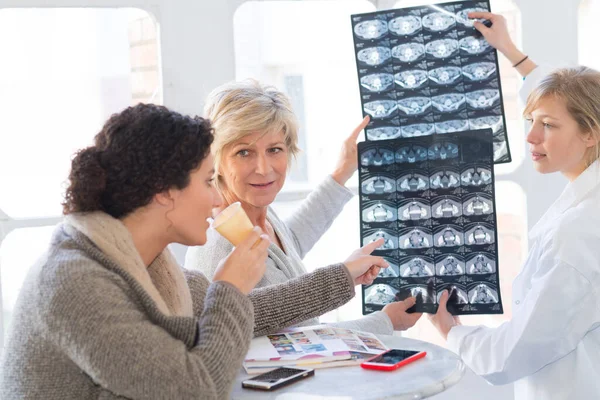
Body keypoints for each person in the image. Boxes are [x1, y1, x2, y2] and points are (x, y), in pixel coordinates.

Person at [0, 104, 391, 399]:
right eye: (208, 181)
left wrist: (342, 277)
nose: (217, 197)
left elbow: (250, 314)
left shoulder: (144, 261)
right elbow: (195, 390)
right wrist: (230, 288)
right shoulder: (76, 282)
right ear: (165, 192)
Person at [428, 11, 600, 399]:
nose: (531, 137)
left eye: (548, 126)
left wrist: (451, 331)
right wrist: (509, 49)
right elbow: (572, 96)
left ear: (591, 133)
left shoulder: (577, 234)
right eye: (530, 122)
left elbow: (515, 352)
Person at [185, 80, 421, 334]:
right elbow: (297, 344)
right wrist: (385, 321)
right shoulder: (217, 247)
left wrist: (342, 171)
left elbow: (287, 250)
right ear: (216, 159)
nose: (264, 169)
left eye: (274, 149)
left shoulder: (258, 214)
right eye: (244, 152)